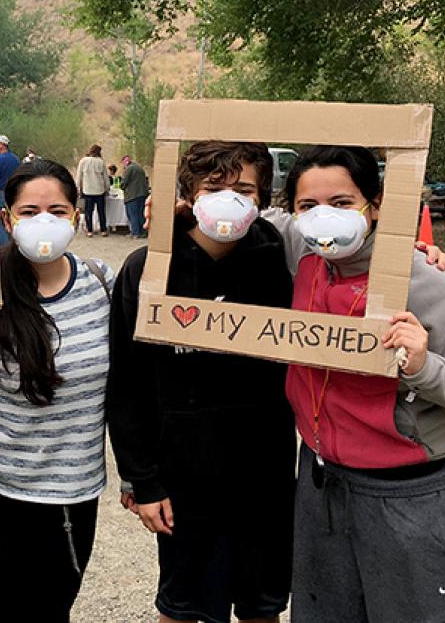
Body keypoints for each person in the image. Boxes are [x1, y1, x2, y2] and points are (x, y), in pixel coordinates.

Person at [280, 146, 445, 622]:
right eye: (308, 206)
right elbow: (234, 213)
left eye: (342, 204)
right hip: (323, 483)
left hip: (411, 493)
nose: (323, 218)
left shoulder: (424, 279)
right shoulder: (302, 253)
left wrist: (424, 367)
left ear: (376, 204)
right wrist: (173, 214)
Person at [108, 142, 295, 623]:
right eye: (214, 188)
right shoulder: (147, 269)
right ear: (188, 195)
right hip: (184, 480)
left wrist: (420, 251)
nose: (229, 199)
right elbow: (127, 383)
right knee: (182, 606)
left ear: (263, 197)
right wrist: (142, 480)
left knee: (262, 606)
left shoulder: (279, 258)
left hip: (264, 478)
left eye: (243, 189)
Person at [0, 159, 113, 622]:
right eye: (29, 211)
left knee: (57, 609)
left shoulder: (101, 285)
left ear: (77, 216)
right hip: (10, 498)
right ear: (6, 219)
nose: (44, 222)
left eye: (57, 211)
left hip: (80, 494)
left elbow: (131, 389)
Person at [0, 134, 20, 247]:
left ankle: (4, 249)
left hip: (0, 195)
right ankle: (14, 247)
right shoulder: (16, 160)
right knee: (12, 222)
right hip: (14, 194)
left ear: (2, 145)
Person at [76, 144, 109, 237]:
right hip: (100, 190)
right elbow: (105, 177)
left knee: (88, 212)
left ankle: (90, 230)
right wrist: (107, 188)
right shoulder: (101, 162)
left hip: (87, 191)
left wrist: (78, 188)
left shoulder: (83, 161)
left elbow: (79, 177)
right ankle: (103, 230)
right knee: (101, 212)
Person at [120, 155, 149, 239]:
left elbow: (124, 182)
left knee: (132, 215)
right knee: (141, 214)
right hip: (142, 194)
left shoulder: (129, 169)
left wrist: (121, 186)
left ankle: (135, 232)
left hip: (132, 195)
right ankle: (143, 232)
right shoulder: (139, 168)